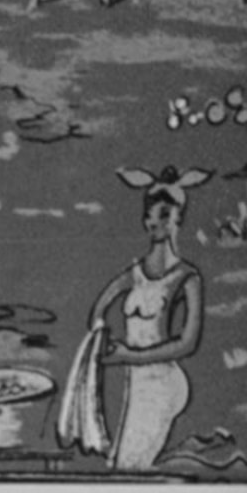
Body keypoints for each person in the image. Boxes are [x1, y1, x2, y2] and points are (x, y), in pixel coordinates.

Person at [57, 165, 210, 470]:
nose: (155, 221)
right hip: (136, 383)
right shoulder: (136, 274)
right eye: (151, 214)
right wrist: (99, 338)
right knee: (120, 462)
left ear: (178, 218)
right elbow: (99, 307)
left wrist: (130, 355)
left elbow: (187, 343)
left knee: (130, 464)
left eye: (164, 214)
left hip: (161, 383)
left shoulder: (186, 277)